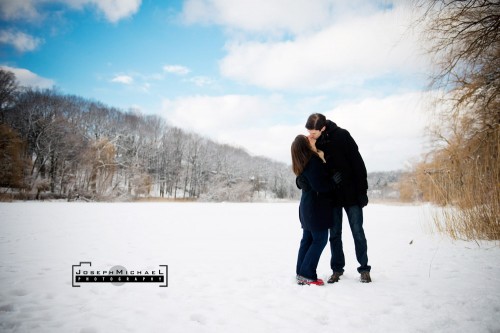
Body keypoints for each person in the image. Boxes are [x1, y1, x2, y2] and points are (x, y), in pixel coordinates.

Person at [305, 113, 372, 283]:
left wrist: (362, 191)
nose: (310, 134)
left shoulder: (343, 135)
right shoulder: (313, 143)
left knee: (358, 232)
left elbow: (358, 164)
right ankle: (337, 269)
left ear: (323, 127)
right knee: (334, 235)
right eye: (309, 131)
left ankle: (364, 269)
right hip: (331, 197)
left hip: (351, 194)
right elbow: (305, 167)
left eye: (314, 131)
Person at [291, 134, 341, 286]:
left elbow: (311, 181)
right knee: (319, 240)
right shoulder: (312, 161)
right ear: (305, 146)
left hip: (307, 207)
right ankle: (307, 274)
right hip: (315, 208)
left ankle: (301, 273)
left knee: (307, 239)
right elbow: (321, 186)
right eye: (307, 139)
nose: (310, 137)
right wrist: (333, 182)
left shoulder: (302, 162)